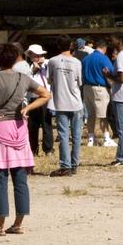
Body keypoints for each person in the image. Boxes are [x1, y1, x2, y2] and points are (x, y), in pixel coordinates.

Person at [0, 43, 50, 236]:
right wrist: (27, 108)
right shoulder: (23, 77)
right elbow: (46, 94)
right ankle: (18, 223)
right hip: (19, 128)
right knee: (20, 179)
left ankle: (0, 225)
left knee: (0, 180)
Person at [44, 35, 83, 177]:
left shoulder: (53, 61)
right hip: (76, 103)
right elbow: (79, 81)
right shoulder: (77, 62)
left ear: (58, 46)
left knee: (63, 135)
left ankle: (65, 165)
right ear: (71, 46)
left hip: (60, 103)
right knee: (77, 135)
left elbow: (50, 80)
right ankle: (74, 164)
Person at [103, 37, 123, 166]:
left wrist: (107, 75)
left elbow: (121, 78)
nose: (111, 43)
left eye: (113, 40)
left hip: (120, 95)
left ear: (119, 40)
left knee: (122, 128)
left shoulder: (121, 56)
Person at [79, 38, 113, 146]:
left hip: (87, 88)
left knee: (90, 115)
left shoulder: (85, 59)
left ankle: (90, 139)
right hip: (100, 88)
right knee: (103, 115)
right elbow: (111, 71)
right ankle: (106, 138)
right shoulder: (103, 58)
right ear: (104, 48)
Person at [24, 45, 54, 157]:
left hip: (45, 98)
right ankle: (33, 149)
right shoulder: (29, 68)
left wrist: (43, 64)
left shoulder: (48, 63)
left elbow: (51, 69)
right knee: (33, 126)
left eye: (35, 55)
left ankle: (48, 149)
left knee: (46, 124)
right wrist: (35, 69)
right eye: (31, 55)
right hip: (33, 98)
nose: (33, 57)